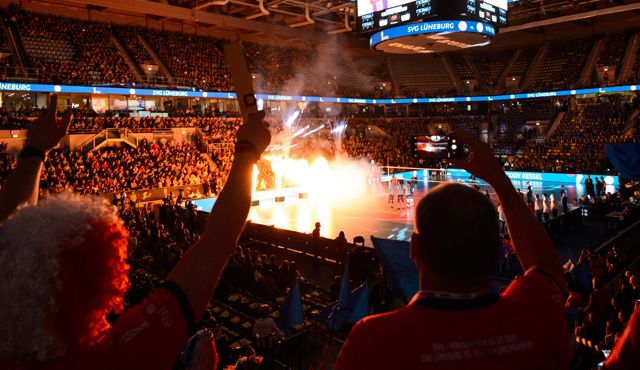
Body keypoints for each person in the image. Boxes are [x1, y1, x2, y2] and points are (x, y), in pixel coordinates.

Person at [0, 95, 271, 370]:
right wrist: (247, 151)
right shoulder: (117, 355)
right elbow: (216, 243)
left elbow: (10, 231)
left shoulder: (8, 313)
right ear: (102, 282)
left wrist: (34, 153)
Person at [335, 133, 569, 370]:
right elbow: (546, 266)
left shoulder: (373, 341)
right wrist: (498, 179)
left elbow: (546, 266)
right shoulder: (534, 316)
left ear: (414, 249)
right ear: (499, 251)